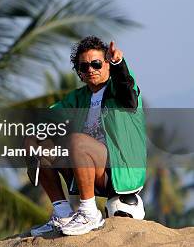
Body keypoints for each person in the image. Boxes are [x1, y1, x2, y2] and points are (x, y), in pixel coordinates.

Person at [27, 36, 146, 236]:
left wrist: (119, 64)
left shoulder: (120, 91)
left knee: (77, 141)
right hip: (86, 170)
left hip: (119, 171)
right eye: (84, 66)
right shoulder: (79, 97)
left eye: (96, 63)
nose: (91, 69)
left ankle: (89, 214)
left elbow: (127, 86)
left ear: (107, 64)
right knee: (40, 143)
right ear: (79, 72)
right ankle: (63, 214)